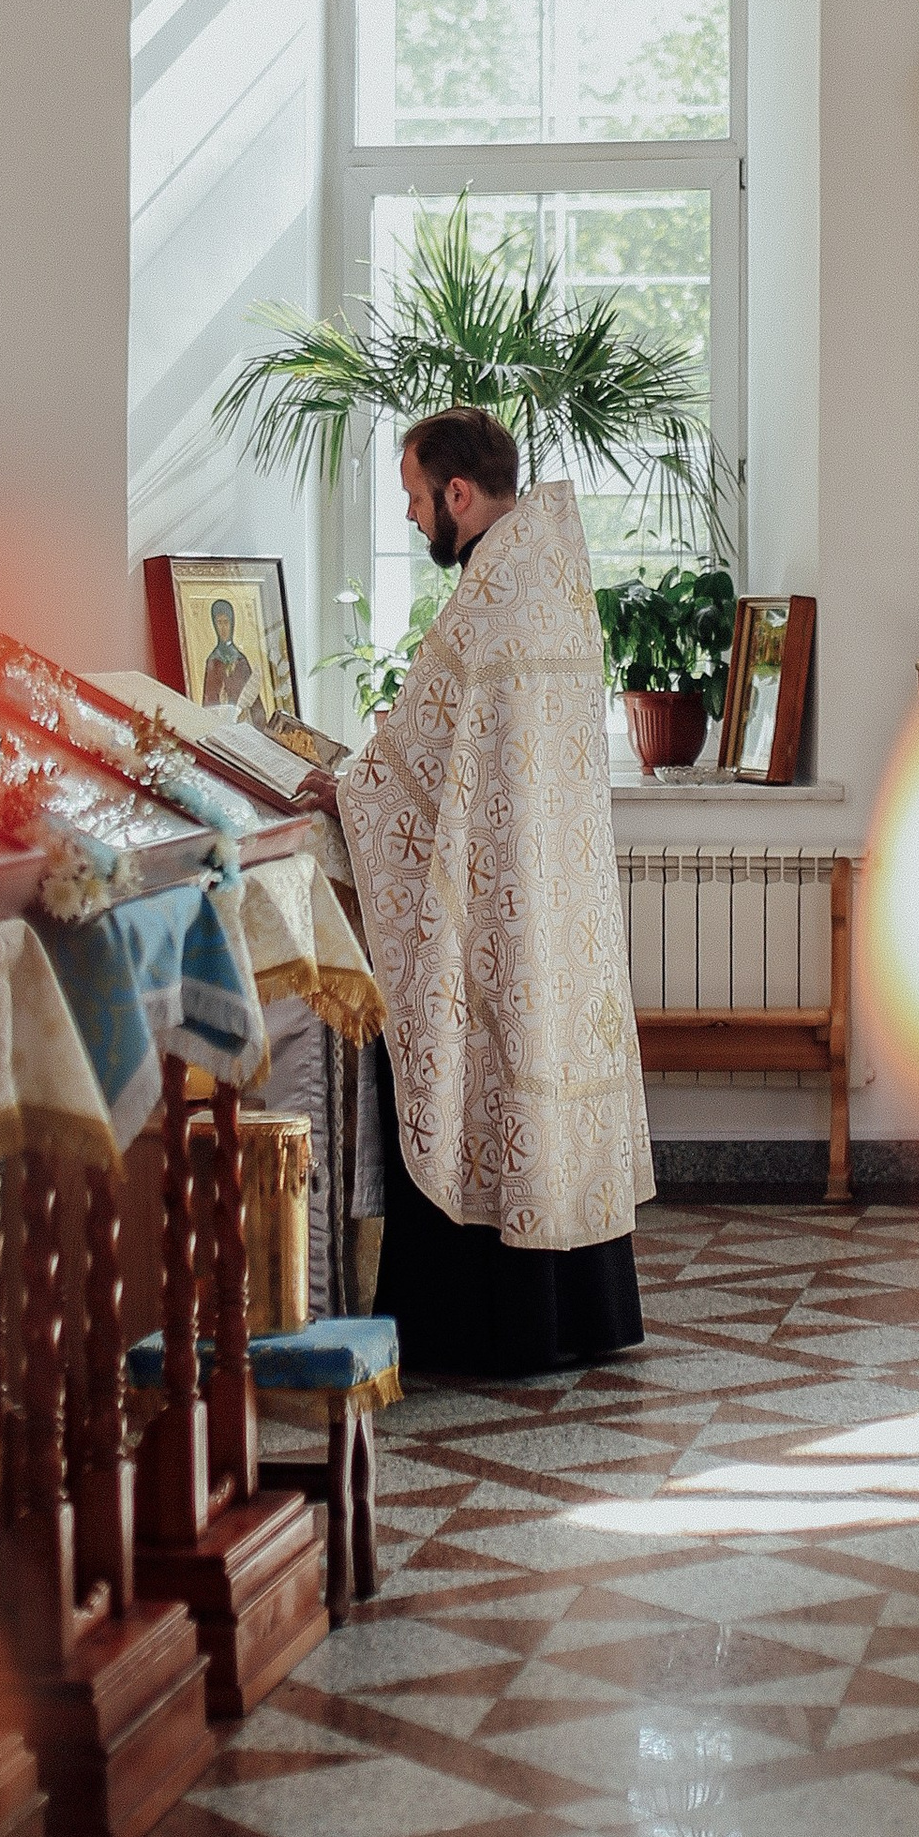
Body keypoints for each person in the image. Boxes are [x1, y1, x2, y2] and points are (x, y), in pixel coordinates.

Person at [332, 403, 649, 1377]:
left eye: (413, 499)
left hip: (501, 905)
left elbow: (418, 759)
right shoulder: (549, 571)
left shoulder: (489, 591)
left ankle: (478, 1325)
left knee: (470, 1068)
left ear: (456, 494)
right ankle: (579, 1315)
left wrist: (343, 785)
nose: (410, 518)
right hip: (551, 897)